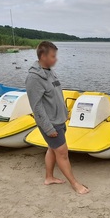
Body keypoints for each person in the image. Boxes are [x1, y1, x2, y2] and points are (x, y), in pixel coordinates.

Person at [25, 41, 89, 194]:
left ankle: (49, 177)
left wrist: (65, 111)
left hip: (58, 119)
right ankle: (75, 184)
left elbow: (57, 95)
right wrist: (48, 128)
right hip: (50, 124)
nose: (56, 59)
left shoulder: (50, 71)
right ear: (43, 56)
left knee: (52, 149)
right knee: (62, 153)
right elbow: (37, 106)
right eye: (53, 56)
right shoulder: (34, 78)